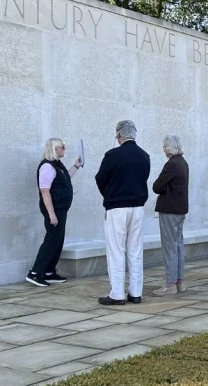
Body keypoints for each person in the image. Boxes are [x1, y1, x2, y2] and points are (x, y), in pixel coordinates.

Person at [95, 120, 150, 306]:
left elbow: (100, 178)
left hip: (117, 207)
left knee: (116, 250)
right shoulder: (144, 156)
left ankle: (117, 293)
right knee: (135, 250)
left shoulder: (113, 155)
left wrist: (109, 194)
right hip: (138, 207)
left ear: (119, 135)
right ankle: (135, 292)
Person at [27, 138, 82, 287]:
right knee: (52, 239)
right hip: (54, 208)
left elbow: (64, 179)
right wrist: (51, 214)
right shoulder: (47, 166)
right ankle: (35, 273)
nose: (64, 149)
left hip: (60, 208)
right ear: (54, 149)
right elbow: (45, 191)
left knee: (58, 239)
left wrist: (76, 166)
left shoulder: (57, 165)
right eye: (62, 147)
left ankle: (49, 271)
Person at [151, 134, 189, 296]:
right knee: (178, 245)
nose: (163, 148)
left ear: (171, 147)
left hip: (169, 210)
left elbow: (156, 186)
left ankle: (170, 284)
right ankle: (180, 281)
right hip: (180, 209)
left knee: (169, 247)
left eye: (165, 146)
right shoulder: (183, 162)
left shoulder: (172, 164)